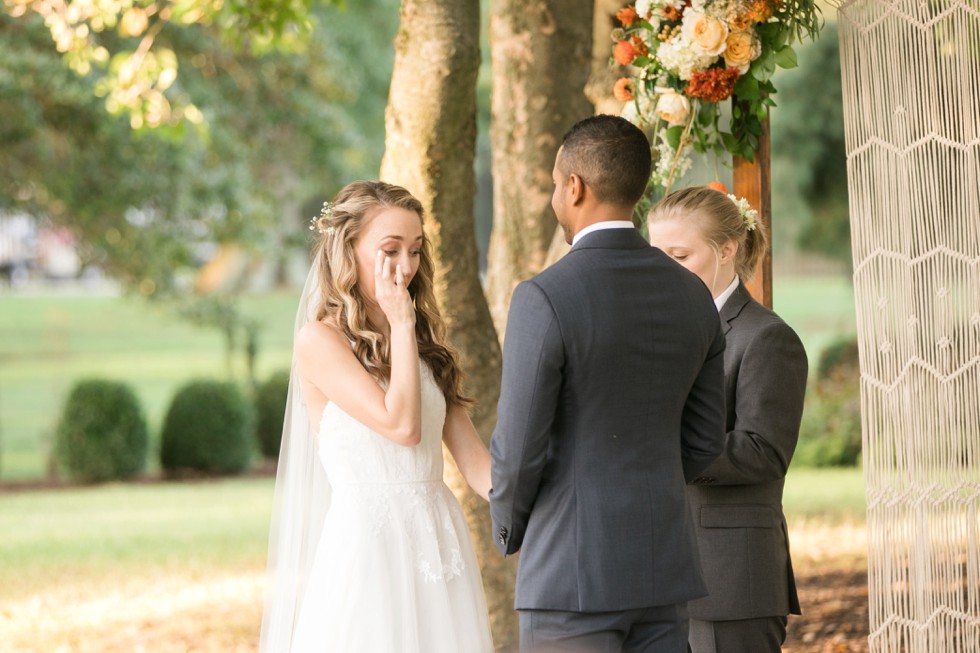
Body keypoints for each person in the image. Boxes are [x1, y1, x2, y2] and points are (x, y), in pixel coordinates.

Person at [489, 115, 727, 653]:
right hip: (664, 573)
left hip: (570, 576)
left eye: (555, 184)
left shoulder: (544, 297)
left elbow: (518, 449)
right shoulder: (693, 295)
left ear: (575, 186)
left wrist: (509, 528)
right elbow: (706, 440)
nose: (555, 197)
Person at [258, 180, 494, 653]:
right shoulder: (320, 341)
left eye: (415, 250)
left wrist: (550, 505)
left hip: (438, 540)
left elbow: (477, 466)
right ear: (350, 249)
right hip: (368, 546)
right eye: (390, 250)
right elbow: (402, 426)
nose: (406, 267)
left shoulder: (426, 349)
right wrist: (402, 323)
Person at [647, 186, 808, 653]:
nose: (664, 271)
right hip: (657, 577)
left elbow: (763, 452)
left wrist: (660, 443)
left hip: (730, 581)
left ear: (727, 250)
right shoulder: (657, 332)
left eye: (678, 255)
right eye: (656, 256)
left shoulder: (767, 338)